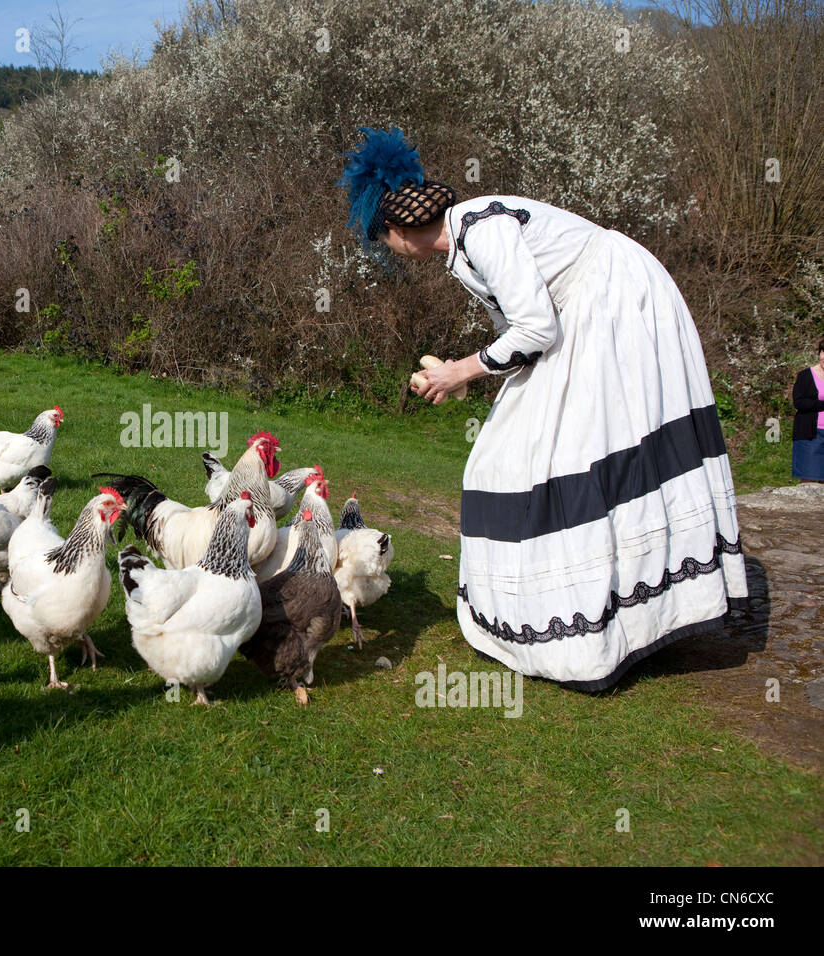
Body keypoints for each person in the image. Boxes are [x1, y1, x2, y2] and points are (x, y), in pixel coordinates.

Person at [338, 127, 748, 691]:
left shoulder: (480, 229)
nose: (391, 253)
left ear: (396, 228)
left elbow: (535, 327)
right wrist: (462, 378)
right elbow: (520, 333)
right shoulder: (467, 240)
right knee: (513, 459)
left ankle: (591, 627)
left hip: (613, 303)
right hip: (584, 315)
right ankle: (571, 617)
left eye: (382, 241)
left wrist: (460, 368)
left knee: (569, 457)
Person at [791, 340, 824, 483]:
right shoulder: (805, 375)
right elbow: (799, 402)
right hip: (811, 434)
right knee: (809, 481)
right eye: (823, 352)